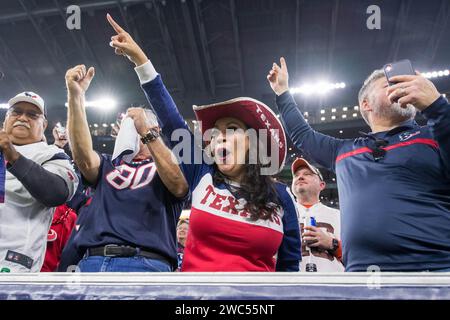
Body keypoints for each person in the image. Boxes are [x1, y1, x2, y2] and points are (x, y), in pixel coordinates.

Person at [107, 14, 301, 271]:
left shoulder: (281, 197)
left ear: (253, 142)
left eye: (231, 129)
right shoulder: (202, 173)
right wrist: (141, 61)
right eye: (215, 133)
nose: (218, 136)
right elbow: (172, 121)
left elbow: (289, 269)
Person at [267, 57, 450, 272]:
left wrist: (437, 106)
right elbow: (302, 135)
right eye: (389, 85)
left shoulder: (435, 135)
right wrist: (282, 92)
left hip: (437, 272)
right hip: (362, 277)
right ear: (366, 104)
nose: (401, 87)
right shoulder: (343, 151)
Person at [64, 62, 189, 272]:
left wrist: (147, 133)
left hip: (146, 263)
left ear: (154, 128)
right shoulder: (108, 165)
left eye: (130, 124)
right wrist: (76, 96)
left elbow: (178, 185)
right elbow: (83, 157)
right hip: (92, 261)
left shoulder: (171, 163)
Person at [0, 92, 79, 272]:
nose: (22, 118)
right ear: (5, 119)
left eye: (32, 115)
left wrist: (12, 155)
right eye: (16, 112)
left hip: (12, 261)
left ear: (43, 125)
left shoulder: (52, 154)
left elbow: (57, 193)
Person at [291, 158, 344, 272]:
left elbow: (356, 257)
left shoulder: (339, 216)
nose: (300, 177)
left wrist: (331, 243)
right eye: (296, 175)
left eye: (307, 174)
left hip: (333, 284)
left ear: (322, 185)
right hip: (291, 284)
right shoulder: (281, 216)